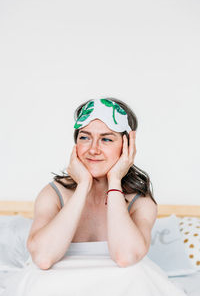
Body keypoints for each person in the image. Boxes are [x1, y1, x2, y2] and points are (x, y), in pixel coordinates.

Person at [25, 97, 187, 295]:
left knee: (135, 276)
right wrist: (83, 185)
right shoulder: (53, 193)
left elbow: (125, 257)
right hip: (59, 287)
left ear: (127, 146)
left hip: (123, 287)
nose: (93, 149)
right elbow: (43, 258)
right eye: (85, 137)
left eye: (106, 139)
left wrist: (115, 181)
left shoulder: (140, 201)